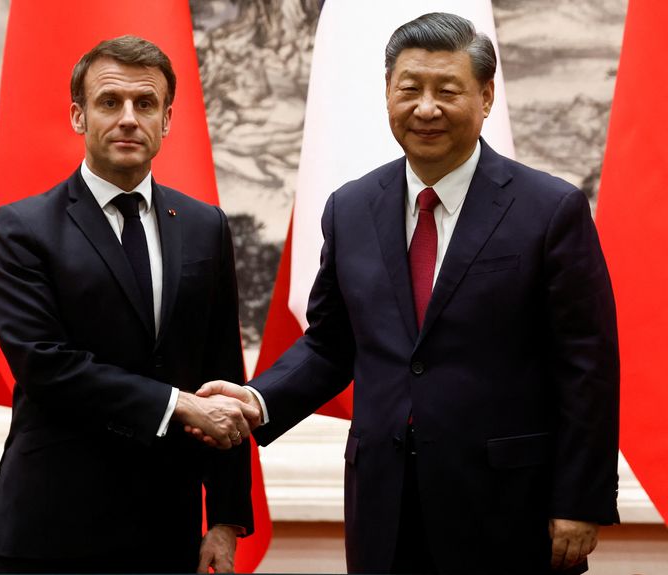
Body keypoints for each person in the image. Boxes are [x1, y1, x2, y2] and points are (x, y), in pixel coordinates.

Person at [193, 12, 619, 575]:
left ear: (486, 96)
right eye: (409, 89)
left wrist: (579, 499)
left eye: (448, 91)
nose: (426, 108)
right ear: (387, 94)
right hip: (384, 502)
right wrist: (260, 399)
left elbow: (586, 363)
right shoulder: (350, 208)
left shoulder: (549, 210)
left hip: (508, 506)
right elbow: (331, 343)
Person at [0, 35, 259, 574]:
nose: (128, 118)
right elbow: (46, 365)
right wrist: (178, 406)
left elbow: (221, 374)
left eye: (145, 104)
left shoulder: (205, 227)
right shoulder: (23, 228)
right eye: (110, 102)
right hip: (50, 529)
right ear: (79, 116)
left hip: (168, 532)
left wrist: (225, 520)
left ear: (167, 120)